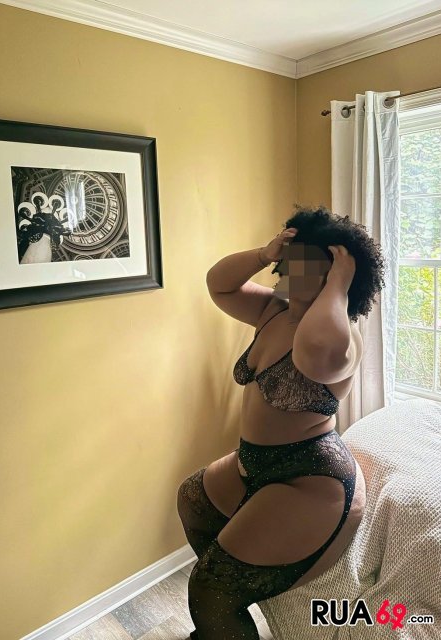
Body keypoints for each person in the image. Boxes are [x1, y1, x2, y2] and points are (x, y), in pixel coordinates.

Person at [177, 204, 386, 639]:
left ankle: (224, 603)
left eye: (304, 260)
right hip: (255, 462)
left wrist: (340, 284)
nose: (286, 266)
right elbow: (219, 284)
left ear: (333, 274)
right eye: (289, 257)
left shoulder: (341, 336)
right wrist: (262, 253)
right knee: (193, 498)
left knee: (209, 591)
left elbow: (315, 350)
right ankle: (235, 596)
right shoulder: (272, 311)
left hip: (309, 476)